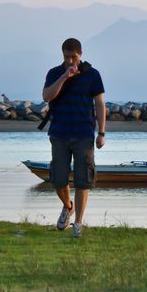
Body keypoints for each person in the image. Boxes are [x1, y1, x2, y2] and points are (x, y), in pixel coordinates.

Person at [41, 38, 106, 238]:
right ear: (62, 55)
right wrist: (63, 78)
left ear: (81, 54)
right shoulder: (54, 73)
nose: (70, 61)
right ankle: (68, 207)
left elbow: (100, 104)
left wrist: (101, 132)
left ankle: (78, 223)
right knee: (58, 179)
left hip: (84, 134)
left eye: (73, 57)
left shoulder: (93, 75)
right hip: (59, 133)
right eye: (66, 57)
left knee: (82, 180)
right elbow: (46, 96)